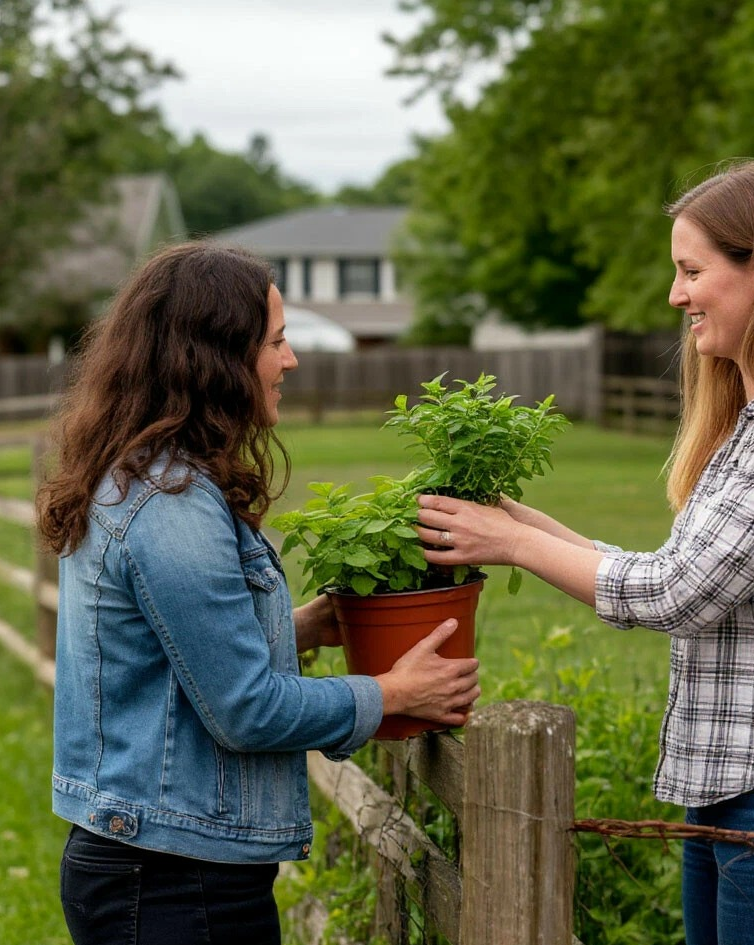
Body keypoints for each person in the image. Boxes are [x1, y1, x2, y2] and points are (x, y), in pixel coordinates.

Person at [415, 160, 754, 944]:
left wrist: (511, 542)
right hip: (743, 793)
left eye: (692, 271)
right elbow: (673, 572)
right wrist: (519, 523)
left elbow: (679, 592)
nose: (677, 295)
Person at [36, 241, 480, 945]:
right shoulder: (170, 507)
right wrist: (392, 693)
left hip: (155, 860)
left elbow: (165, 652)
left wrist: (300, 626)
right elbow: (244, 709)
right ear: (214, 359)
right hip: (175, 880)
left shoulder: (142, 477)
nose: (290, 360)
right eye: (275, 342)